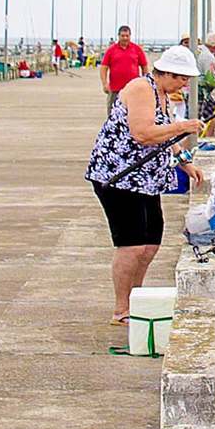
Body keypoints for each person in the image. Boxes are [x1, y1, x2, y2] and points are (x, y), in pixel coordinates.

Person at [85, 46, 204, 325]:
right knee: (132, 246)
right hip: (118, 177)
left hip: (145, 181)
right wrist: (183, 127)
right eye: (182, 79)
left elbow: (166, 137)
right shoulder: (141, 88)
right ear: (167, 73)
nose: (185, 85)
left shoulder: (163, 95)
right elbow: (142, 133)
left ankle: (136, 300)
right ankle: (121, 310)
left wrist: (186, 163)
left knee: (150, 244)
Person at [100, 26, 149, 116]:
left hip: (133, 89)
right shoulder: (111, 50)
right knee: (112, 113)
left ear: (130, 36)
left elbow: (144, 66)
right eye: (123, 36)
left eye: (127, 36)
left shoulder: (137, 49)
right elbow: (104, 67)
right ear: (118, 36)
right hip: (115, 89)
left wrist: (145, 81)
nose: (125, 38)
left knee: (133, 114)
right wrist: (104, 83)